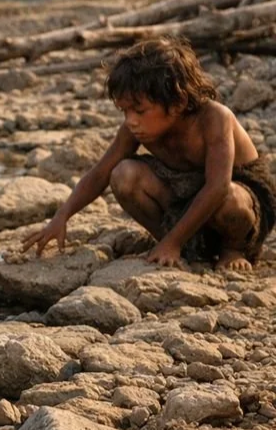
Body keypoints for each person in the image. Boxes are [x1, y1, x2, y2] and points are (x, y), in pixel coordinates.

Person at [22, 37, 276, 271]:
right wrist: (61, 216)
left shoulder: (214, 119)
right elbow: (100, 172)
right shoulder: (136, 128)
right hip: (185, 199)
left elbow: (217, 188)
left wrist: (174, 242)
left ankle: (232, 250)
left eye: (139, 111)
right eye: (124, 111)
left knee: (229, 197)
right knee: (123, 175)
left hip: (240, 208)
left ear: (177, 103)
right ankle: (182, 245)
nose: (130, 121)